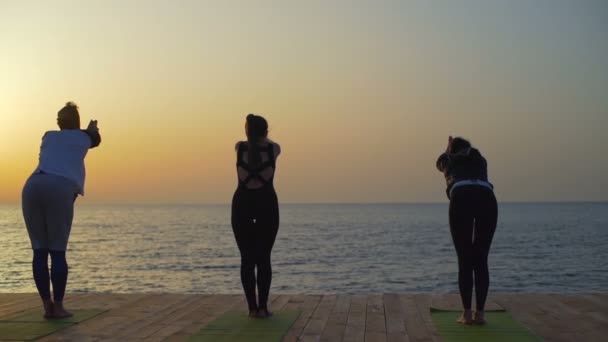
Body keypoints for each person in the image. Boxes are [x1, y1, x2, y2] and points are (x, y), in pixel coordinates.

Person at [22, 102, 101, 319]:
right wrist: (92, 129)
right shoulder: (83, 137)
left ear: (59, 123)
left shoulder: (48, 136)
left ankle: (47, 305)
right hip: (59, 187)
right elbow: (96, 140)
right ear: (76, 122)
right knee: (57, 251)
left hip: (32, 186)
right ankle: (58, 306)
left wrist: (86, 131)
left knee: (39, 251)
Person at [436, 136, 497, 325]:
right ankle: (480, 314)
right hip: (487, 197)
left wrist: (448, 149)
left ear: (452, 150)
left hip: (461, 196)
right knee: (480, 259)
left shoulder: (449, 159)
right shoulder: (481, 160)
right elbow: (471, 155)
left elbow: (439, 163)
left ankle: (467, 314)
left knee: (465, 259)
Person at [231, 114, 281, 318]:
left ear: (247, 131)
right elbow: (268, 143)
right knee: (264, 258)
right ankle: (263, 308)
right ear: (266, 131)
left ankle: (252, 309)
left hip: (242, 204)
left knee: (247, 259)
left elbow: (248, 143)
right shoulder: (274, 148)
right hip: (266, 204)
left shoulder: (238, 147)